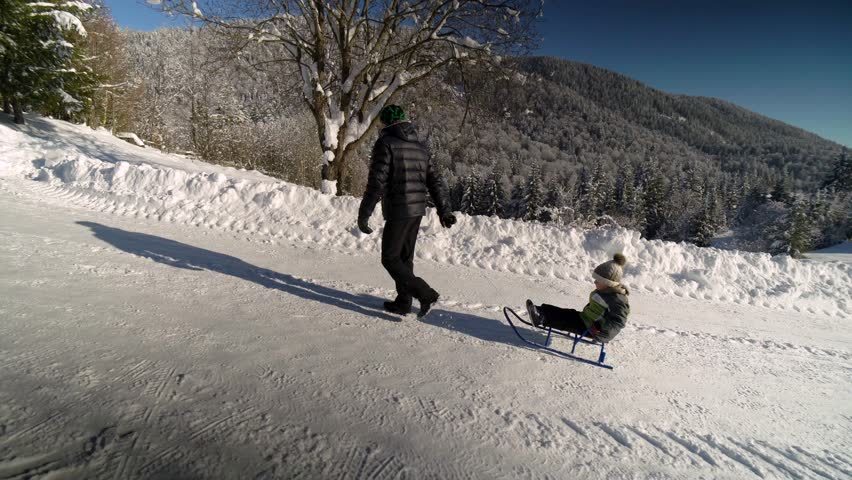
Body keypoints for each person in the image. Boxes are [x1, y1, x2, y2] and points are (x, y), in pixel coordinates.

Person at [357, 104, 456, 318]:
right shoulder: (420, 147)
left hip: (399, 209)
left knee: (390, 258)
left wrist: (364, 213)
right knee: (404, 258)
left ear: (385, 123)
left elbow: (376, 182)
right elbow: (435, 181)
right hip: (417, 209)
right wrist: (444, 210)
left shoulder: (385, 144)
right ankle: (403, 302)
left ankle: (426, 294)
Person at [526, 254, 630, 342]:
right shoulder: (605, 291)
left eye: (598, 280)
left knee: (567, 321)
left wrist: (604, 334)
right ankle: (540, 311)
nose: (595, 282)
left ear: (608, 283)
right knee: (566, 313)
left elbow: (619, 321)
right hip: (587, 319)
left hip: (593, 329)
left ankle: (541, 318)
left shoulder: (617, 299)